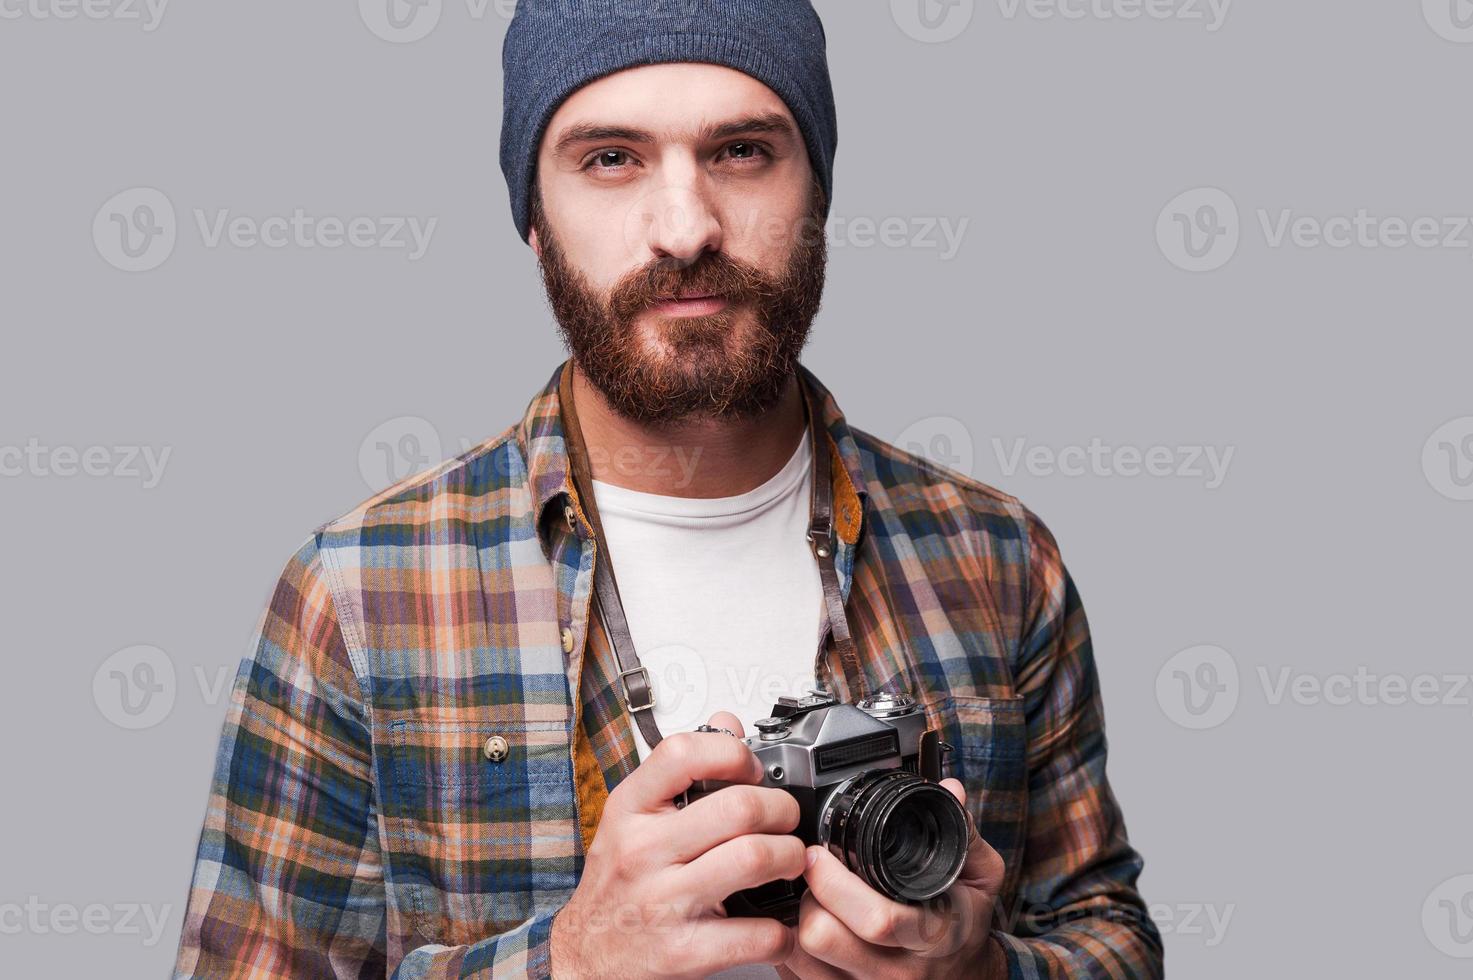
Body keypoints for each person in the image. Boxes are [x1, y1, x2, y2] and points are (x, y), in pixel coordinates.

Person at [173, 2, 1162, 977]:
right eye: (611, 158)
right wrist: (567, 963)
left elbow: (1109, 931)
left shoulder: (992, 558)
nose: (686, 227)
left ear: (816, 192)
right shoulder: (361, 593)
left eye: (741, 151)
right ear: (533, 219)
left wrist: (983, 971)